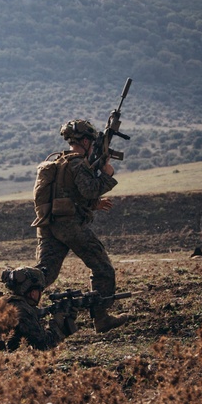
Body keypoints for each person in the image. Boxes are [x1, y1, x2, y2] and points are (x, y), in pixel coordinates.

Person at [32, 120, 130, 333]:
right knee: (102, 268)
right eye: (92, 143)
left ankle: (10, 306)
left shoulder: (59, 161)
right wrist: (107, 175)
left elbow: (68, 194)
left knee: (44, 274)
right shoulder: (77, 163)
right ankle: (102, 318)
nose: (93, 146)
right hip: (70, 227)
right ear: (86, 141)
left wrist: (94, 205)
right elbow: (89, 189)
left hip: (49, 226)